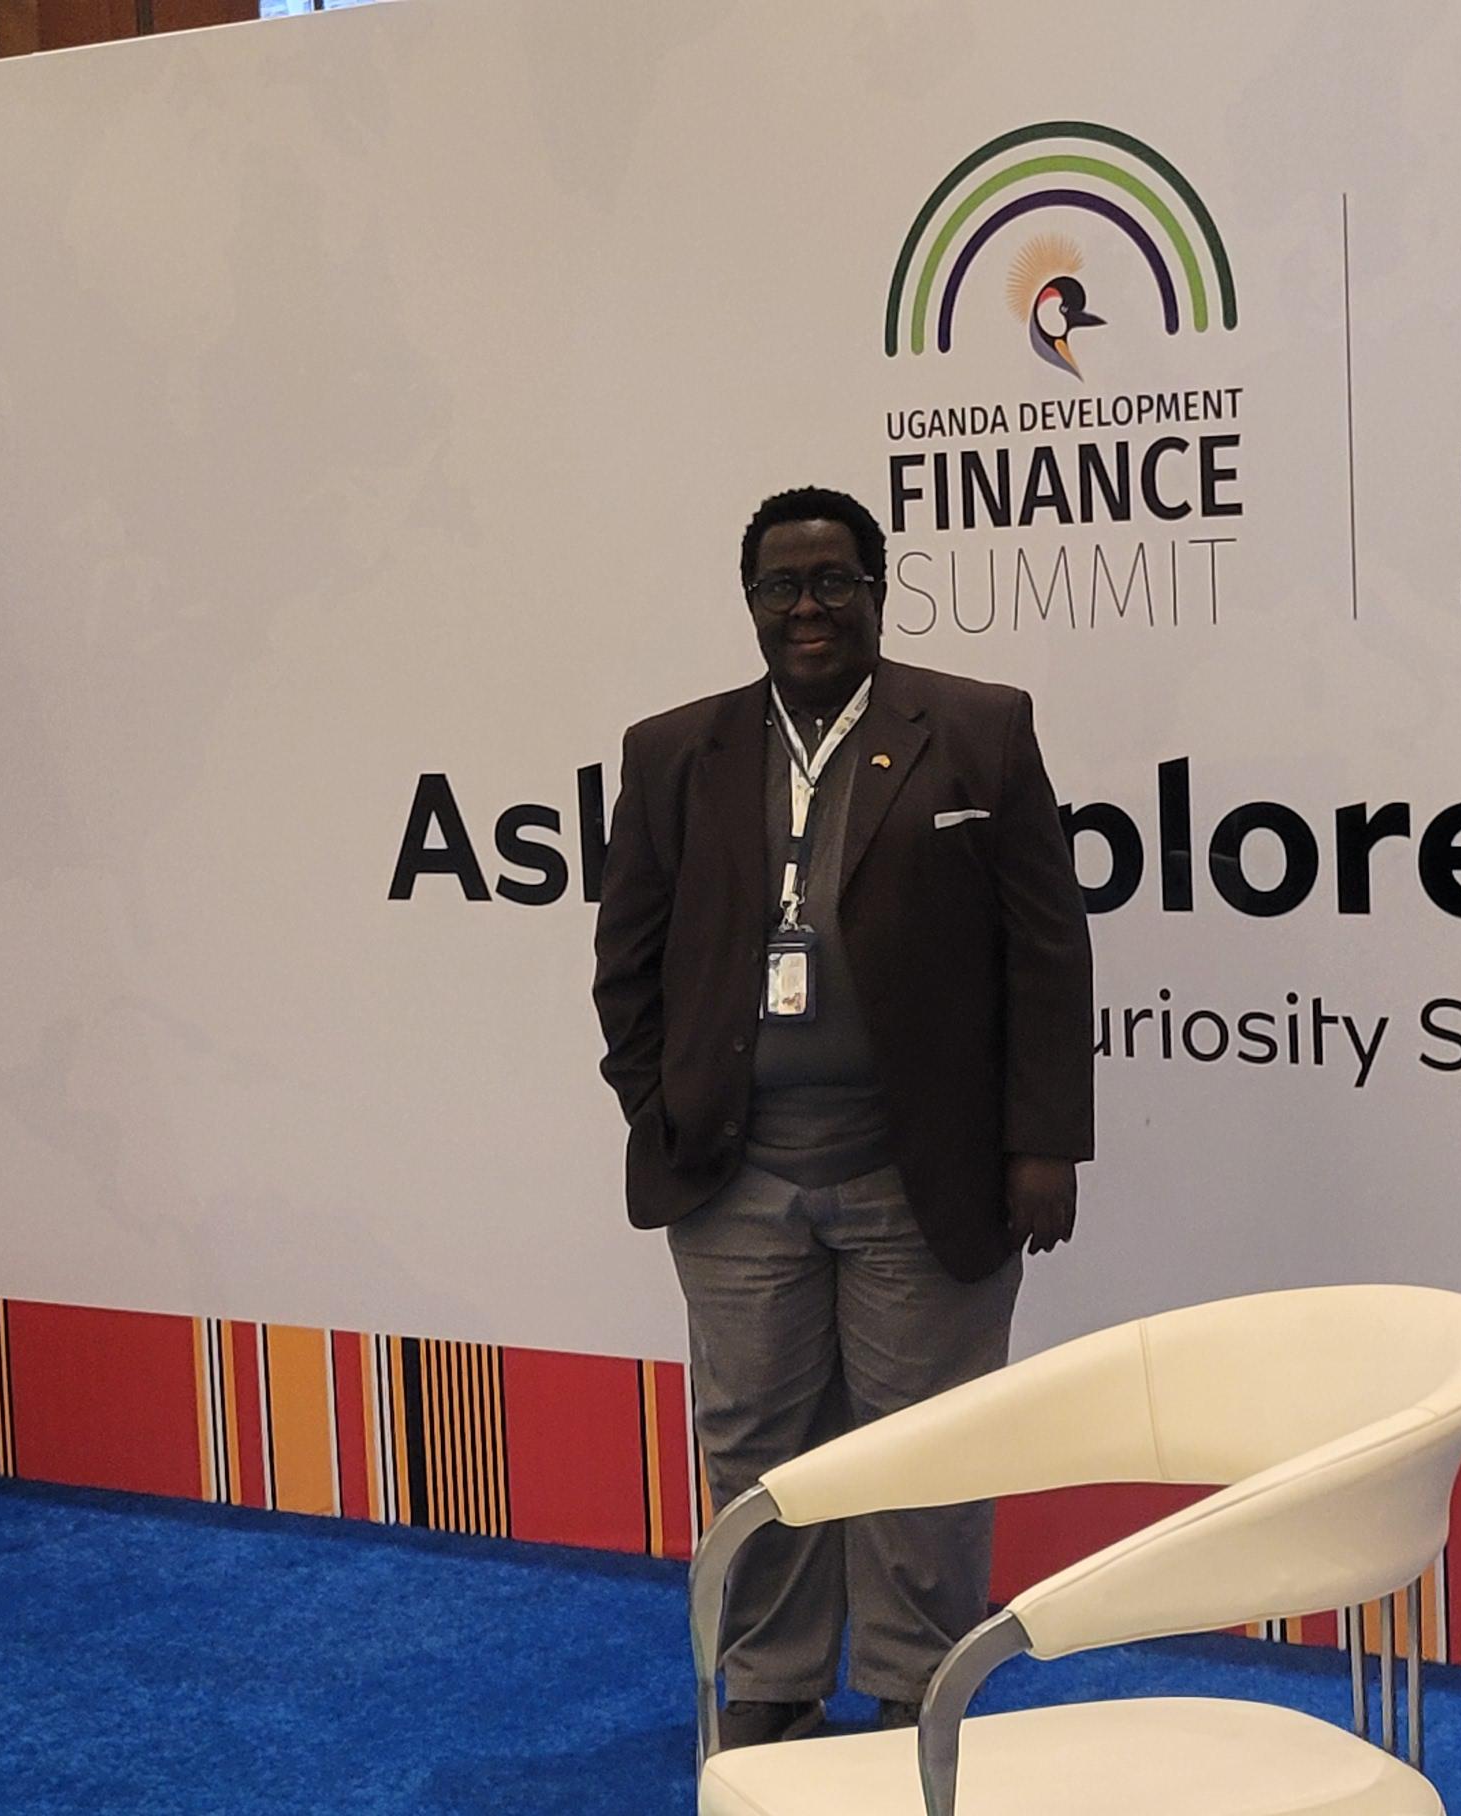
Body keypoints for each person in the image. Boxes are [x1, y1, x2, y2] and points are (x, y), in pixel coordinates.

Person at [591, 484, 1095, 1746]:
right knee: (758, 1449)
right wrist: (662, 1108)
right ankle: (771, 1683)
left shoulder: (976, 727)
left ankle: (918, 1690)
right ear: (751, 602)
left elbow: (1046, 950)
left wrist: (1043, 1142)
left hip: (923, 1166)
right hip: (735, 1174)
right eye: (782, 586)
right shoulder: (675, 750)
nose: (807, 607)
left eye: (832, 582)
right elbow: (628, 961)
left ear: (878, 590)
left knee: (928, 1448)